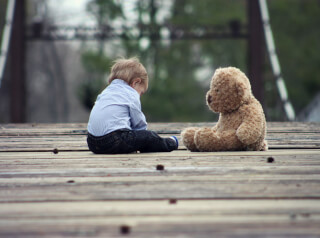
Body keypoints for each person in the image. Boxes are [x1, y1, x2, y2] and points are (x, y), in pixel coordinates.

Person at [87, 57, 178, 154]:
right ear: (136, 82)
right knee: (149, 137)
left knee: (132, 137)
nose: (139, 95)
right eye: (141, 92)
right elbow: (138, 123)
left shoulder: (105, 92)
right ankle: (170, 143)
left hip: (92, 142)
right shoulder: (131, 93)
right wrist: (142, 137)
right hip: (114, 140)